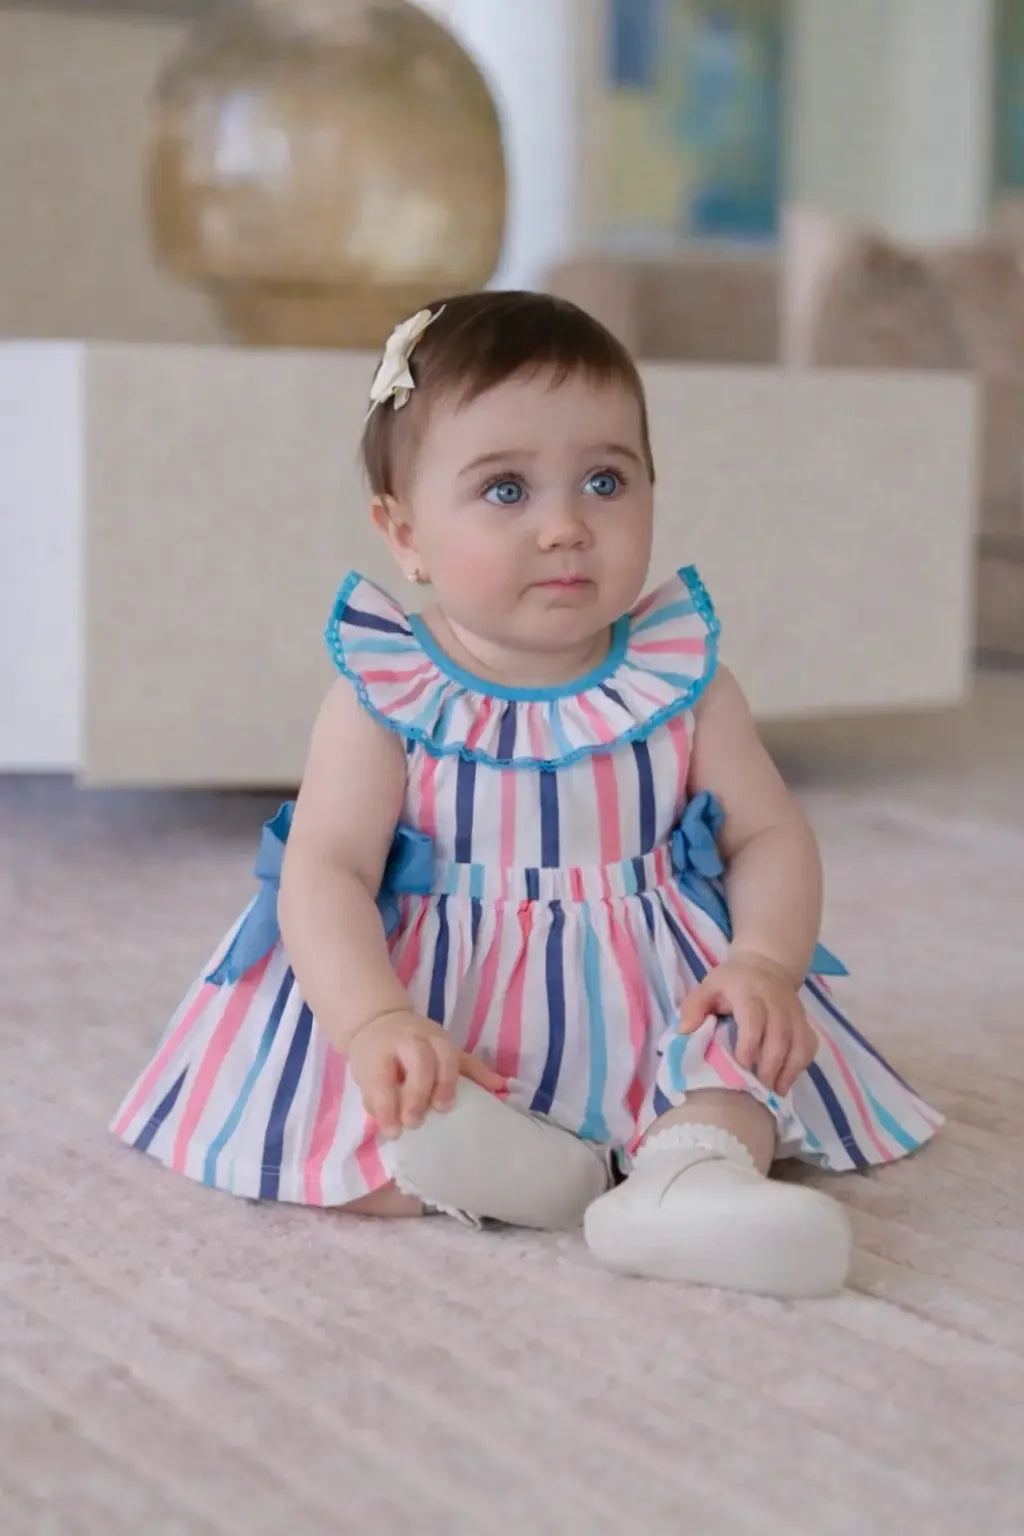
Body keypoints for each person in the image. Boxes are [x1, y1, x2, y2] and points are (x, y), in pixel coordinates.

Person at [112, 292, 941, 1297]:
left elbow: (767, 834)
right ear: (405, 534)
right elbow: (325, 872)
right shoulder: (385, 697)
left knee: (741, 1063)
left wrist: (762, 961)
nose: (565, 527)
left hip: (649, 992)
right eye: (505, 490)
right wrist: (374, 1021)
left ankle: (691, 1174)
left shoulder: (685, 684)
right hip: (442, 1004)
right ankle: (529, 1176)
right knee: (369, 1116)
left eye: (605, 481)